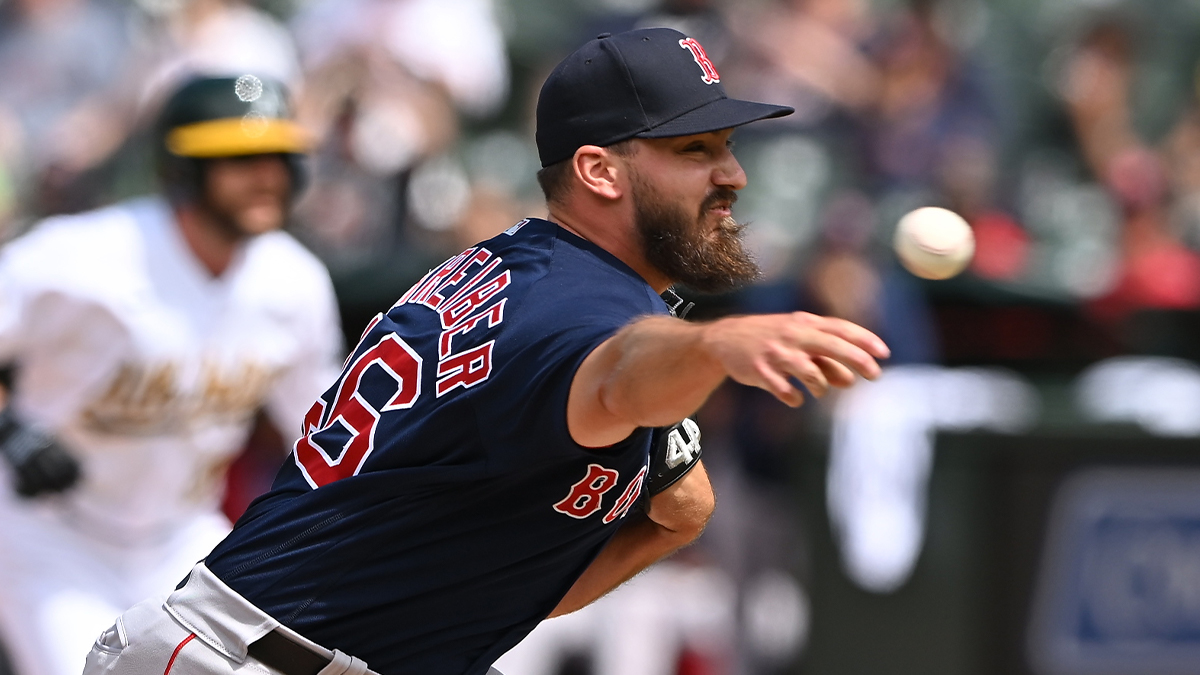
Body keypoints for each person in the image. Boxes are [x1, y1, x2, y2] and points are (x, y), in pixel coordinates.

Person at [83, 29, 889, 675]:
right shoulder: (578, 304)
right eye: (695, 150)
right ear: (599, 171)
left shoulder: (536, 268)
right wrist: (715, 345)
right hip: (247, 656)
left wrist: (488, 605)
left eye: (726, 145)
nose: (734, 175)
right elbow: (618, 371)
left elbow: (680, 503)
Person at [0, 75, 342, 675]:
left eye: (278, 157)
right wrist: (10, 428)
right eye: (239, 158)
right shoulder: (79, 258)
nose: (267, 176)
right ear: (182, 167)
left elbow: (326, 439)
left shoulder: (295, 285)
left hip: (184, 541)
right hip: (52, 538)